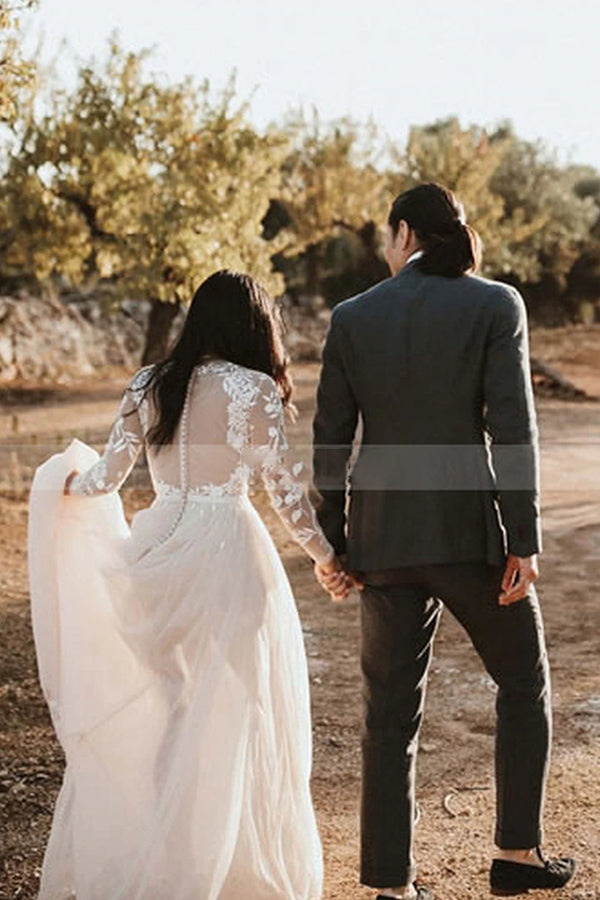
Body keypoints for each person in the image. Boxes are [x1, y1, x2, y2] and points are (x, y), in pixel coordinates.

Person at [28, 269, 352, 900]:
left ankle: (171, 846)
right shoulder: (253, 388)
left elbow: (104, 479)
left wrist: (57, 485)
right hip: (228, 552)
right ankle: (224, 857)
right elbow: (284, 491)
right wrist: (324, 557)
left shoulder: (149, 383)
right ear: (254, 327)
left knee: (173, 703)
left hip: (154, 546)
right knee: (238, 703)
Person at [312, 183, 576, 899]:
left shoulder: (352, 316)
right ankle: (516, 855)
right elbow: (513, 428)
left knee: (387, 716)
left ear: (403, 233)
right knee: (523, 682)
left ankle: (390, 887)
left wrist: (334, 543)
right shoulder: (496, 304)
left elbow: (331, 437)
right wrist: (523, 537)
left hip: (381, 542)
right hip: (470, 537)